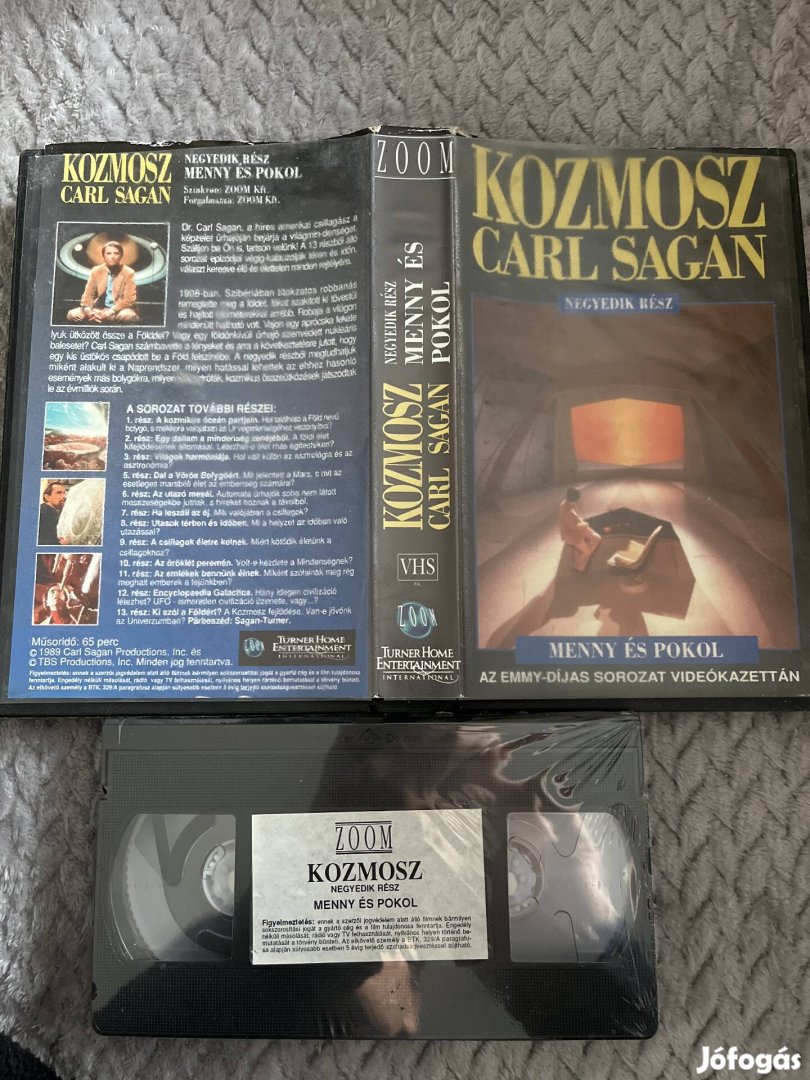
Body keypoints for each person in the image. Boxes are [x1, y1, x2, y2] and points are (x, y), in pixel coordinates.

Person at [66, 240, 138, 323]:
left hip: (118, 310)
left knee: (128, 316)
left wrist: (108, 313)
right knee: (72, 314)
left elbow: (129, 299)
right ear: (104, 256)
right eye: (108, 253)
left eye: (116, 253)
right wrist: (89, 311)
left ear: (121, 255)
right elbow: (88, 295)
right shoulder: (96, 270)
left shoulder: (129, 272)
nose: (112, 256)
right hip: (98, 309)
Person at [559, 487, 601, 571]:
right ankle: (577, 565)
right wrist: (586, 524)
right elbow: (575, 527)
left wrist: (583, 524)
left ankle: (582, 553)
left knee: (597, 538)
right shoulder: (568, 512)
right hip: (572, 535)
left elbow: (576, 519)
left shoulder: (566, 503)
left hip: (576, 529)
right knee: (587, 552)